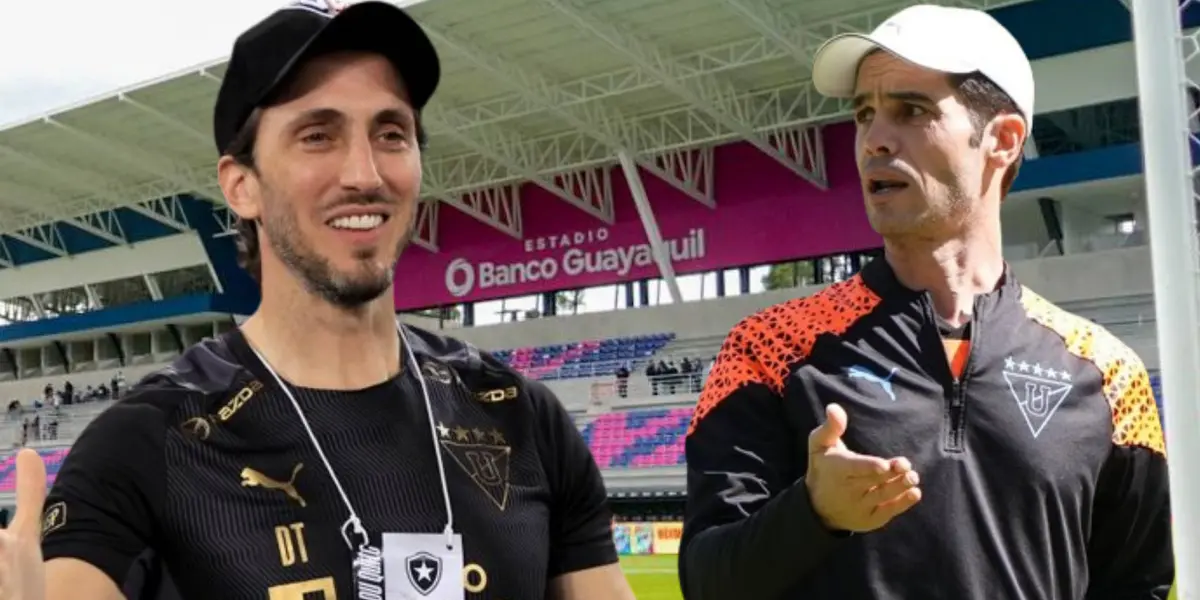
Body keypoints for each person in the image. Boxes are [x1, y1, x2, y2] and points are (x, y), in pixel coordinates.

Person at [0, 2, 637, 599]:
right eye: (317, 136)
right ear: (242, 186)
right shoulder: (148, 440)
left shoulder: (523, 420)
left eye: (391, 133)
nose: (364, 173)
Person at [678, 5, 1173, 600]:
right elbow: (706, 580)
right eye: (864, 114)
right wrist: (812, 513)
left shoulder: (1109, 375)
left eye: (911, 111)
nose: (873, 140)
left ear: (1003, 140)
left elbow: (1136, 586)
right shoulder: (769, 349)